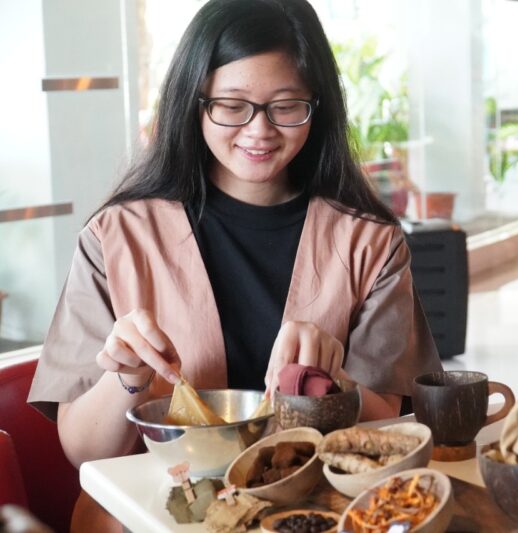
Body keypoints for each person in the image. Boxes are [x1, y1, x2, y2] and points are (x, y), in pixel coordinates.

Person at [27, 0, 441, 527]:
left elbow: (392, 429)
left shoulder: (370, 243)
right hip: (154, 516)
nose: (259, 130)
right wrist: (127, 378)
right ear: (194, 102)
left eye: (286, 105)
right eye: (232, 104)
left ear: (319, 105)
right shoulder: (117, 238)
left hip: (316, 512)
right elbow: (85, 451)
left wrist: (336, 380)